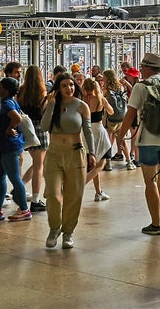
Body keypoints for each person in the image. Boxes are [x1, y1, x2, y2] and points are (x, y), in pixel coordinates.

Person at [115, 52, 160, 236]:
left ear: (148, 68)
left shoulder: (141, 87)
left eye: (142, 67)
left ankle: (155, 223)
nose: (140, 70)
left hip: (147, 140)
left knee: (150, 182)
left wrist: (120, 136)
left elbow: (130, 114)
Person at [40, 74, 96, 249]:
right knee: (53, 194)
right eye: (64, 85)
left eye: (71, 85)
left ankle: (68, 232)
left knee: (74, 195)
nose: (69, 88)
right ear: (58, 88)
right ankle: (54, 228)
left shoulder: (81, 106)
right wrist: (50, 106)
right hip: (54, 153)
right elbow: (44, 127)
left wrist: (92, 153)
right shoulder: (51, 104)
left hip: (75, 152)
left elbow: (88, 131)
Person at [0, 77, 33, 222]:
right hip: (5, 146)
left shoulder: (7, 104)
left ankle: (25, 209)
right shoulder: (9, 102)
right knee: (0, 177)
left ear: (5, 90)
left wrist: (9, 129)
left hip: (9, 147)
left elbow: (17, 119)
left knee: (14, 178)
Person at [18, 66, 49, 211]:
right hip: (40, 128)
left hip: (27, 129)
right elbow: (45, 112)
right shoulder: (42, 92)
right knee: (39, 166)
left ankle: (21, 186)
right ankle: (36, 199)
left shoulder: (21, 91)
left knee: (37, 162)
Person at [81, 77, 115, 200]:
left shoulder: (81, 100)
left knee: (91, 162)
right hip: (99, 132)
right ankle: (80, 185)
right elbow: (111, 112)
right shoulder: (101, 100)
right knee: (100, 164)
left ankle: (98, 192)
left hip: (85, 132)